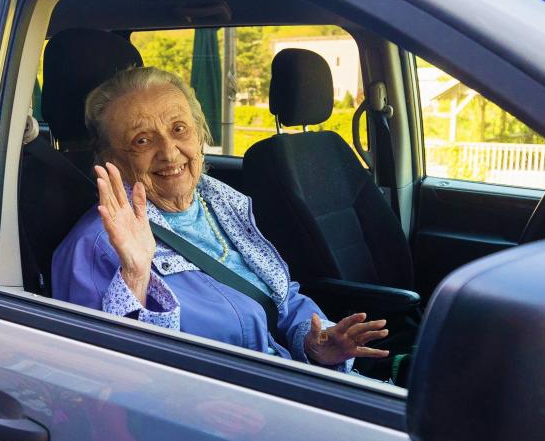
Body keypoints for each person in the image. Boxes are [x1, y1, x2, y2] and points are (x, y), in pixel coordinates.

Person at [52, 66, 388, 370]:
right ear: (111, 158)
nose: (169, 152)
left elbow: (281, 299)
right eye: (142, 140)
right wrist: (136, 275)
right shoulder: (98, 245)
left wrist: (316, 343)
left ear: (200, 133)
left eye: (179, 128)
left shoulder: (219, 201)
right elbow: (109, 372)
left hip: (280, 385)